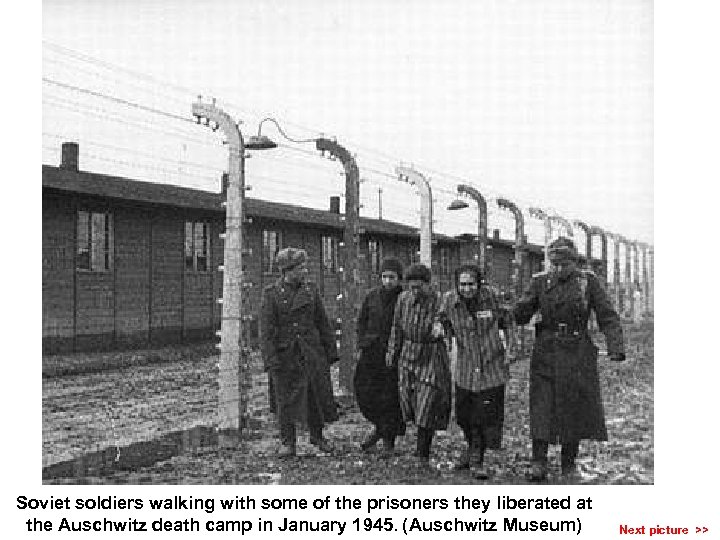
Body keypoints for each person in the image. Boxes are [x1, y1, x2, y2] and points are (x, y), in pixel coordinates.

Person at [513, 237, 626, 481]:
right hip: (546, 352)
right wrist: (520, 309)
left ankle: (568, 462)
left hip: (577, 352)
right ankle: (539, 461)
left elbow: (607, 314)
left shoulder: (588, 282)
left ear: (574, 263)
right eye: (555, 264)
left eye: (564, 264)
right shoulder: (540, 281)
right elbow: (521, 313)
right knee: (541, 405)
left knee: (573, 407)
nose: (559, 269)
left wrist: (615, 345)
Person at [436, 263, 513, 479]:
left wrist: (511, 349)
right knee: (463, 415)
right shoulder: (450, 300)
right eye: (463, 285)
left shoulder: (492, 298)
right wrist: (441, 329)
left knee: (483, 415)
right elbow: (441, 319)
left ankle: (477, 458)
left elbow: (509, 323)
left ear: (479, 284)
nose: (467, 289)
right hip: (466, 366)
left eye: (471, 284)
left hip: (491, 364)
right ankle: (471, 449)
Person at [260, 247, 339, 457]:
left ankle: (318, 436)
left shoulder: (311, 291)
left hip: (311, 353)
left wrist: (330, 351)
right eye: (300, 267)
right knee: (285, 400)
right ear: (287, 271)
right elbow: (266, 331)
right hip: (285, 356)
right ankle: (288, 442)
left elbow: (323, 322)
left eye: (305, 266)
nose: (305, 271)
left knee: (316, 395)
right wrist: (270, 359)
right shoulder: (272, 294)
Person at [385, 263, 451, 463]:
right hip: (407, 354)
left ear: (428, 285)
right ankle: (417, 442)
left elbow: (447, 323)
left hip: (430, 354)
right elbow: (396, 327)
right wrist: (392, 352)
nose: (415, 291)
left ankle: (423, 451)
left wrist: (441, 328)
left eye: (419, 287)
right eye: (411, 287)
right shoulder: (403, 300)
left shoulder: (439, 301)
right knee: (408, 400)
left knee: (427, 402)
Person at [353, 257, 406, 454]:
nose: (388, 281)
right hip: (371, 353)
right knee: (366, 393)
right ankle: (378, 429)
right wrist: (362, 343)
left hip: (393, 355)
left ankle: (388, 442)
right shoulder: (371, 296)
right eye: (384, 277)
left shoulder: (404, 298)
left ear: (399, 278)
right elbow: (361, 321)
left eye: (392, 277)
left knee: (389, 399)